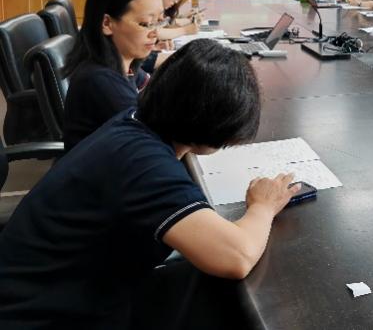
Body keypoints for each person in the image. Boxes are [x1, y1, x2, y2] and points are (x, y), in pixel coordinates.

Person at [0, 40, 303, 329]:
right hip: (43, 318)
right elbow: (237, 256)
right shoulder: (145, 165)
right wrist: (263, 206)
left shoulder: (135, 123)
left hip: (53, 292)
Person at [63, 0, 162, 150]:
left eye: (159, 22)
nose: (155, 33)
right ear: (107, 23)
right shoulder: (100, 80)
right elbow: (155, 138)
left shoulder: (126, 65)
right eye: (146, 24)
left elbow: (155, 95)